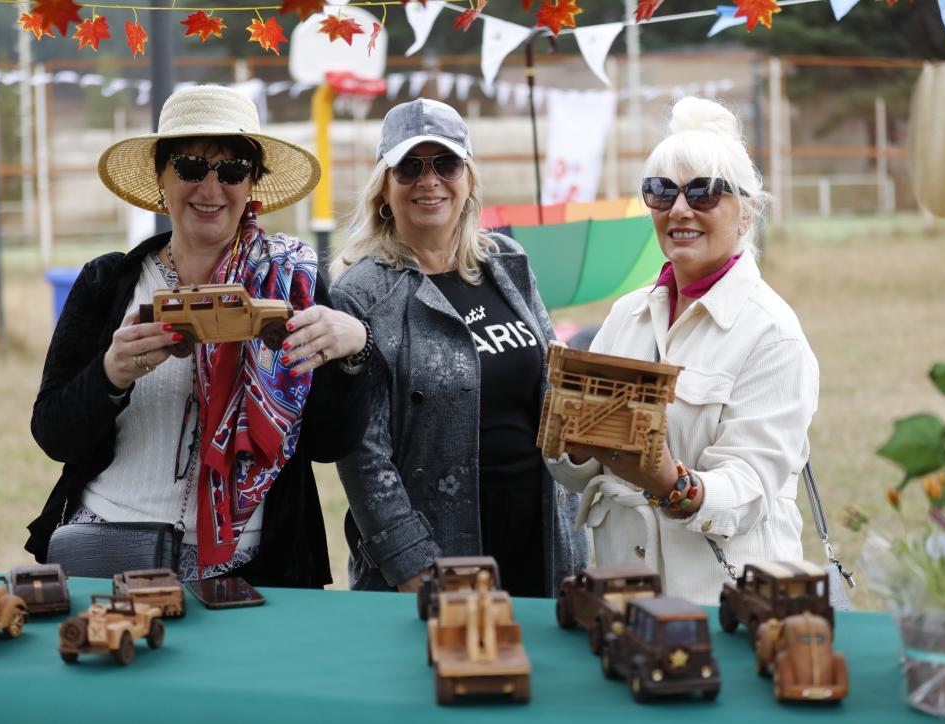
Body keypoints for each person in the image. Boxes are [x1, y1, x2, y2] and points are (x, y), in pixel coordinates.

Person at [27, 85, 374, 586]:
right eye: (191, 167)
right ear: (161, 177)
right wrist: (110, 375)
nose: (210, 190)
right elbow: (53, 434)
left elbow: (328, 443)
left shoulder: (292, 284)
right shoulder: (108, 283)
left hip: (251, 563)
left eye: (232, 171)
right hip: (109, 550)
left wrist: (353, 354)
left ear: (251, 182)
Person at [548, 96, 819, 605]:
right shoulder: (625, 315)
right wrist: (572, 442)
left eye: (705, 193)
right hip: (621, 595)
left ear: (747, 214)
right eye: (660, 192)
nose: (679, 209)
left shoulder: (773, 334)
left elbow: (751, 489)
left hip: (725, 603)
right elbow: (573, 474)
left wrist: (670, 481)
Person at [328, 98, 588, 597]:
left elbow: (556, 381)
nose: (429, 181)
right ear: (385, 187)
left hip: (542, 539)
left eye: (445, 163)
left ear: (467, 178)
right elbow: (364, 457)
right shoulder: (362, 293)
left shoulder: (507, 262)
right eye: (409, 167)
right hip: (440, 560)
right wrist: (415, 571)